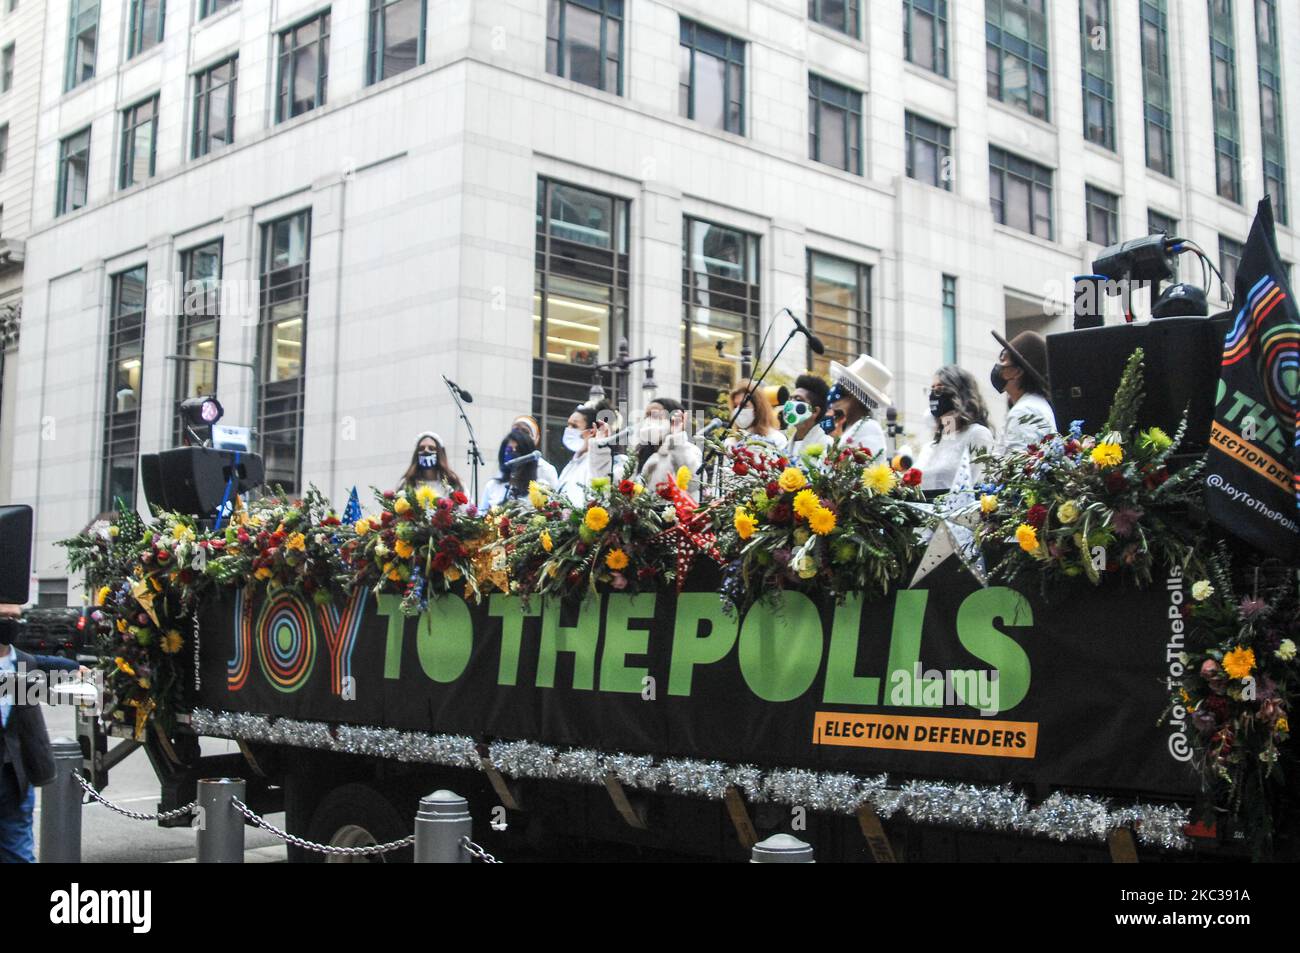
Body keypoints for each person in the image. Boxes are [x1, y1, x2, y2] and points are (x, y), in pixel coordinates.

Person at [0, 604, 87, 863]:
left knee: (18, 853)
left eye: (14, 617)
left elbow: (55, 665)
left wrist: (79, 670)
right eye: (3, 617)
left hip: (14, 779)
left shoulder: (23, 664)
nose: (9, 622)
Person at [914, 365, 995, 492]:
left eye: (939, 389)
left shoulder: (977, 434)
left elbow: (979, 485)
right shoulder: (932, 447)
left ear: (959, 392)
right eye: (932, 389)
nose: (934, 395)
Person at [990, 330, 1056, 454]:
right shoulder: (1034, 406)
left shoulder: (1024, 411)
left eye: (1003, 360)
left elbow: (1017, 468)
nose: (999, 366)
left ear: (1017, 372)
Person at [556, 400, 624, 506]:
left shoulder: (599, 463)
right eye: (568, 425)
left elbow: (601, 496)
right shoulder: (571, 464)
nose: (568, 430)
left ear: (592, 431)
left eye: (574, 426)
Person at [826, 354, 892, 458]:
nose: (834, 395)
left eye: (841, 390)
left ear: (853, 395)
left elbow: (864, 470)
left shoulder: (870, 428)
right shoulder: (847, 427)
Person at [478, 426, 559, 511]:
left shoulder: (540, 489)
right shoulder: (492, 486)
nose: (512, 455)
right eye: (509, 450)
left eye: (516, 451)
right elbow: (481, 514)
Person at [634, 397, 702, 496]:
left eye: (656, 415)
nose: (649, 421)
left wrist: (677, 439)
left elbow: (693, 484)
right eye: (647, 416)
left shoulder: (689, 450)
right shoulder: (643, 455)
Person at [397, 432, 464, 497]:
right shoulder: (408, 483)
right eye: (421, 448)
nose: (426, 450)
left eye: (431, 448)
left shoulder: (452, 482)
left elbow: (467, 507)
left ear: (439, 453)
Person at [728, 380, 788, 451]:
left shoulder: (776, 440)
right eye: (735, 406)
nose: (738, 410)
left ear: (758, 408)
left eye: (744, 406)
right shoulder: (729, 443)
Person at [787, 373, 832, 460]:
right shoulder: (786, 446)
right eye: (790, 398)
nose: (791, 403)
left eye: (798, 399)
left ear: (815, 411)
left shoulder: (827, 446)